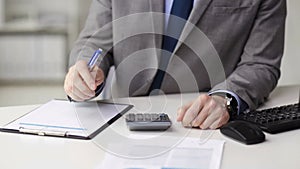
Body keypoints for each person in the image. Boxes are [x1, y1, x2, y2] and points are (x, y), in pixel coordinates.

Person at [64, 0, 286, 129]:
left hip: (200, 122)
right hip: (122, 119)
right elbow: (95, 39)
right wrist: (84, 69)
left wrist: (225, 98)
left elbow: (260, 63)